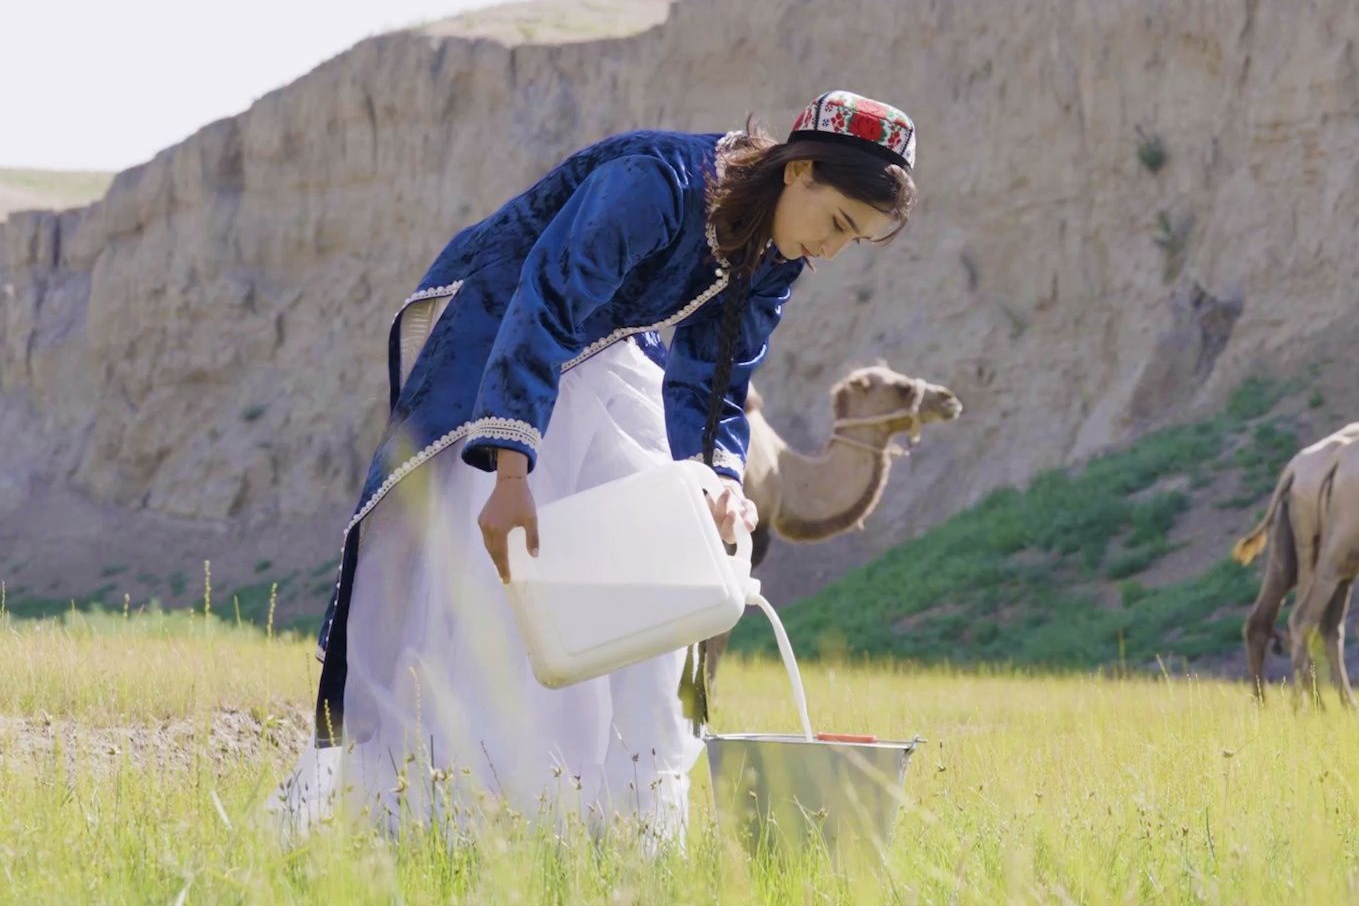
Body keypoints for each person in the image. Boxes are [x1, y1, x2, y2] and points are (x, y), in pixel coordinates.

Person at [275, 91, 918, 842]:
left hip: (605, 357)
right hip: (495, 335)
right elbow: (544, 302)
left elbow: (715, 375)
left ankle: (598, 826)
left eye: (857, 241)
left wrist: (720, 486)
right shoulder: (655, 182)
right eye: (838, 222)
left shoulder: (777, 249)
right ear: (798, 170)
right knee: (493, 590)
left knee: (649, 575)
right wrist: (508, 477)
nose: (833, 249)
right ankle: (444, 822)